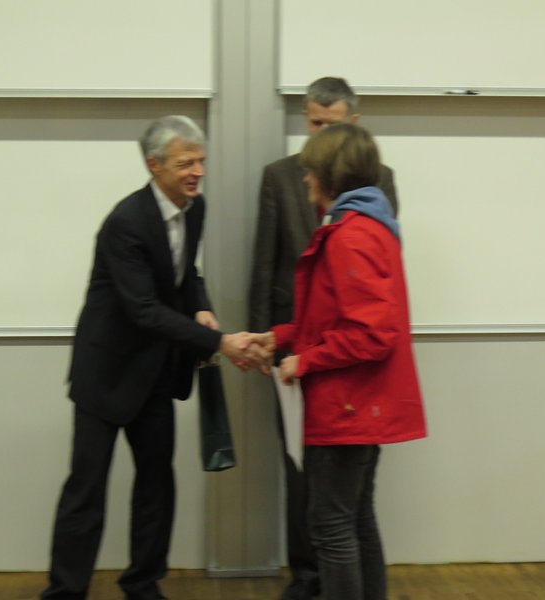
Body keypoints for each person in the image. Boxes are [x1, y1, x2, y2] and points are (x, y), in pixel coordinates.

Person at [41, 115, 259, 600]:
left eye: (201, 161)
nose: (198, 172)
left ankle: (142, 584)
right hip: (105, 374)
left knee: (157, 484)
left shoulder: (195, 209)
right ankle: (64, 592)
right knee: (86, 491)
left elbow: (185, 274)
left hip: (156, 372)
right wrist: (219, 343)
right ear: (153, 165)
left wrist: (201, 306)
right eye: (185, 163)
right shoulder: (126, 222)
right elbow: (143, 310)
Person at [251, 123, 426, 600]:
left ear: (331, 174)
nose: (305, 179)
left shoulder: (351, 235)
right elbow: (332, 317)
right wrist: (278, 336)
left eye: (311, 170)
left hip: (346, 408)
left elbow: (372, 334)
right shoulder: (371, 226)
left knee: (331, 527)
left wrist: (304, 362)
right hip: (360, 406)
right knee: (356, 520)